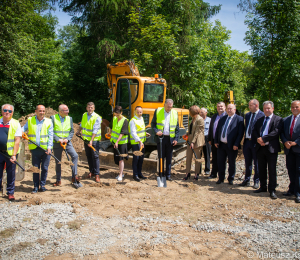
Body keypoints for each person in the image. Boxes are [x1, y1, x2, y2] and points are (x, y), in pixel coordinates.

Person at [252, 101, 283, 199]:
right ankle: (263, 186)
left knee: (272, 169)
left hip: (271, 149)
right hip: (260, 148)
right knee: (261, 168)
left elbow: (276, 132)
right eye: (265, 108)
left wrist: (264, 139)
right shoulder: (260, 119)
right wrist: (258, 139)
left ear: (273, 108)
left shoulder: (278, 119)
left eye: (268, 108)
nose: (267, 110)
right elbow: (255, 131)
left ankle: (272, 190)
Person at [22, 105, 53, 193]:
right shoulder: (30, 120)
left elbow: (51, 136)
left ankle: (42, 185)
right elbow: (23, 129)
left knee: (45, 168)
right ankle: (35, 186)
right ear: (36, 111)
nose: (42, 113)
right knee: (35, 168)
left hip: (46, 149)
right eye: (40, 111)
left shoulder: (49, 121)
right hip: (35, 149)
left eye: (43, 111)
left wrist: (49, 147)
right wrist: (20, 132)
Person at [214, 104, 244, 185]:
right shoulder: (223, 118)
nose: (229, 110)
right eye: (228, 108)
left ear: (234, 109)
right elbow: (217, 131)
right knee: (220, 162)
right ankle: (221, 178)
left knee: (231, 162)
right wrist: (216, 141)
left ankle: (231, 178)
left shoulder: (239, 119)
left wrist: (236, 144)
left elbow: (240, 134)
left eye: (231, 108)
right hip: (221, 144)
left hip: (232, 145)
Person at [151, 99, 179, 181]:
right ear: (164, 105)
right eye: (167, 107)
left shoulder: (174, 113)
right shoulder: (158, 111)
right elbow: (153, 124)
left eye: (170, 107)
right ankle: (160, 173)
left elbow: (177, 128)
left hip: (170, 139)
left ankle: (168, 175)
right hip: (161, 138)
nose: (169, 109)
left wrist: (176, 139)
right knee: (161, 157)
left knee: (169, 158)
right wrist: (156, 131)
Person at [51, 104, 79, 186]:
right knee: (58, 162)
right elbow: (51, 131)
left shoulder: (69, 118)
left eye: (68, 109)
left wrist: (68, 139)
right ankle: (58, 180)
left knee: (75, 156)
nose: (68, 112)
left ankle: (74, 176)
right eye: (66, 110)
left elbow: (71, 131)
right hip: (57, 143)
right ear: (60, 112)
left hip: (67, 142)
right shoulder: (53, 118)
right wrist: (58, 139)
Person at [239, 99, 264, 189]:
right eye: (249, 105)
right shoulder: (248, 115)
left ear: (256, 105)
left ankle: (256, 181)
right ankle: (247, 180)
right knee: (247, 162)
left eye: (250, 105)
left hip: (256, 142)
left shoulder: (262, 115)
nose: (249, 107)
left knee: (256, 163)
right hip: (247, 141)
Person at [0, 104, 22, 201]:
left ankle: (10, 192)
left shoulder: (15, 123)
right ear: (2, 111)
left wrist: (14, 155)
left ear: (12, 113)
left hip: (10, 153)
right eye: (5, 110)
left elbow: (17, 140)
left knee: (11, 174)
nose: (7, 112)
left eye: (9, 111)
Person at [280, 100, 300, 203]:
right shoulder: (286, 120)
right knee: (290, 169)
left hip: (298, 148)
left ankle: (298, 193)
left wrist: (296, 142)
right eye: (293, 107)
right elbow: (282, 132)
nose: (294, 109)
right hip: (289, 149)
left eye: (296, 107)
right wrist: (285, 141)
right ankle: (291, 189)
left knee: (299, 171)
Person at [76, 102, 101, 183]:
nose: (90, 109)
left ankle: (97, 174)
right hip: (86, 139)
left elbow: (95, 130)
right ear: (86, 108)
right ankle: (92, 172)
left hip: (94, 140)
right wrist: (78, 131)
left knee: (95, 156)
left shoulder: (97, 117)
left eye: (91, 107)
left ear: (94, 108)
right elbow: (82, 124)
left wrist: (91, 140)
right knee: (89, 156)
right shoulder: (84, 115)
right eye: (89, 107)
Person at [183, 105, 205, 181]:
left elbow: (197, 132)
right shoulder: (193, 119)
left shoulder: (200, 119)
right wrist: (187, 134)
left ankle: (196, 174)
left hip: (197, 141)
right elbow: (192, 129)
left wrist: (193, 142)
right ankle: (187, 173)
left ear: (193, 112)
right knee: (188, 157)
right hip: (190, 140)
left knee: (197, 158)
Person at [207, 102, 226, 179]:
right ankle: (213, 173)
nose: (220, 108)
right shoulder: (214, 116)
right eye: (218, 106)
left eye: (221, 106)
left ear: (225, 107)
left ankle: (222, 175)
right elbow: (211, 128)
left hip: (222, 141)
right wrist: (210, 139)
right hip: (214, 140)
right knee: (214, 158)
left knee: (222, 159)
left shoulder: (227, 116)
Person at [109, 106, 129, 181]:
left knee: (121, 159)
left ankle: (120, 174)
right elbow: (111, 127)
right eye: (115, 114)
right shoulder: (114, 118)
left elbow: (122, 133)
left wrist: (117, 142)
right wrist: (109, 133)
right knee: (117, 159)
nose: (116, 116)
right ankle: (121, 173)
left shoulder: (125, 120)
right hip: (114, 142)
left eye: (118, 114)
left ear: (121, 112)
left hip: (121, 143)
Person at [129, 106, 147, 182]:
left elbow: (140, 130)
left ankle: (139, 173)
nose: (140, 113)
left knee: (141, 159)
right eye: (138, 112)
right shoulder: (133, 121)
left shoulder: (141, 119)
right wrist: (139, 141)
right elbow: (133, 132)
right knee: (136, 159)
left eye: (141, 112)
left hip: (142, 143)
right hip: (136, 143)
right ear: (135, 112)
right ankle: (135, 175)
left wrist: (146, 133)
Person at [200, 107, 211, 175]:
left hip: (207, 138)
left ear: (206, 113)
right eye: (200, 112)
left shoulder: (210, 120)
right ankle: (198, 169)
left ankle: (207, 169)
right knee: (198, 154)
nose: (201, 113)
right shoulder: (197, 120)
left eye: (202, 112)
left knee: (207, 154)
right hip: (199, 138)